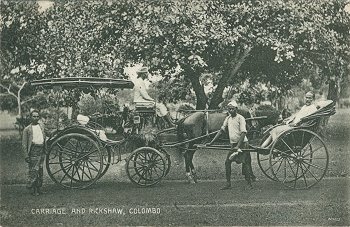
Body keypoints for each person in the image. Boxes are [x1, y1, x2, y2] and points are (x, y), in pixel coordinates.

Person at [207, 100, 255, 190]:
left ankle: (249, 184)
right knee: (227, 162)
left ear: (236, 109)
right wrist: (211, 142)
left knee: (246, 163)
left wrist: (238, 146)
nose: (231, 111)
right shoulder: (228, 119)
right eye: (229, 109)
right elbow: (221, 131)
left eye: (232, 109)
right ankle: (228, 183)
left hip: (243, 144)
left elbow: (243, 133)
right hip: (233, 144)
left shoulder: (241, 118)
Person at [22, 109, 46, 196]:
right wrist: (26, 156)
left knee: (40, 170)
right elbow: (24, 144)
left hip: (41, 150)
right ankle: (34, 190)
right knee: (34, 171)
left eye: (37, 116)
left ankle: (39, 189)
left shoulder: (41, 126)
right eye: (34, 116)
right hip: (33, 151)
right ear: (30, 117)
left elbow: (44, 136)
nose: (36, 118)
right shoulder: (27, 129)